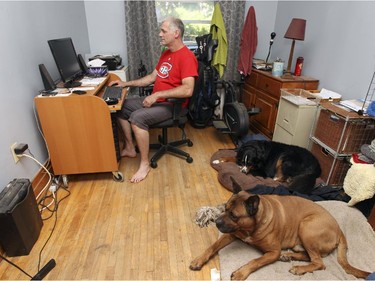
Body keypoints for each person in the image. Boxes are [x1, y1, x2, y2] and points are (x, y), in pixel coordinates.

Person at [109, 16, 198, 183]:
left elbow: (188, 89)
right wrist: (125, 84)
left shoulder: (187, 57)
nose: (160, 34)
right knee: (120, 106)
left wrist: (157, 95)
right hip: (159, 101)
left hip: (172, 106)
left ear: (176, 33)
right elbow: (151, 78)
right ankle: (130, 147)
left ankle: (144, 164)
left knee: (137, 118)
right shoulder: (166, 54)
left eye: (164, 31)